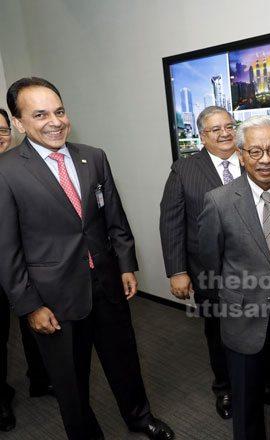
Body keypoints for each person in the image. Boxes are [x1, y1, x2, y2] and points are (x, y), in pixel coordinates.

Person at [0, 77, 174, 440]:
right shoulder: (7, 171)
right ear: (19, 123)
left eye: (59, 111)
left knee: (124, 361)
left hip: (106, 284)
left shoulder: (92, 157)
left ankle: (140, 418)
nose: (55, 121)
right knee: (70, 381)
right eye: (40, 114)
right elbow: (6, 249)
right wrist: (30, 304)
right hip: (53, 298)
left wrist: (126, 264)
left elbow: (114, 218)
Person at [198, 115, 270, 440]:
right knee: (247, 403)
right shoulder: (219, 202)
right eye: (256, 151)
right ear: (240, 154)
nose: (266, 160)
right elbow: (210, 264)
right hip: (242, 319)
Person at [159, 106, 240, 419]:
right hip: (209, 271)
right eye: (215, 129)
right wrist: (178, 271)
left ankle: (259, 382)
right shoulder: (184, 169)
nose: (224, 133)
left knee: (259, 328)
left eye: (229, 126)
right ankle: (225, 389)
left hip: (255, 270)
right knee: (219, 334)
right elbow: (172, 222)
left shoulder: (254, 159)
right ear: (203, 136)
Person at [0, 108, 54, 433]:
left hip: (27, 265)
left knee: (34, 324)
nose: (1, 138)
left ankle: (40, 379)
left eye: (4, 130)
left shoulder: (23, 169)